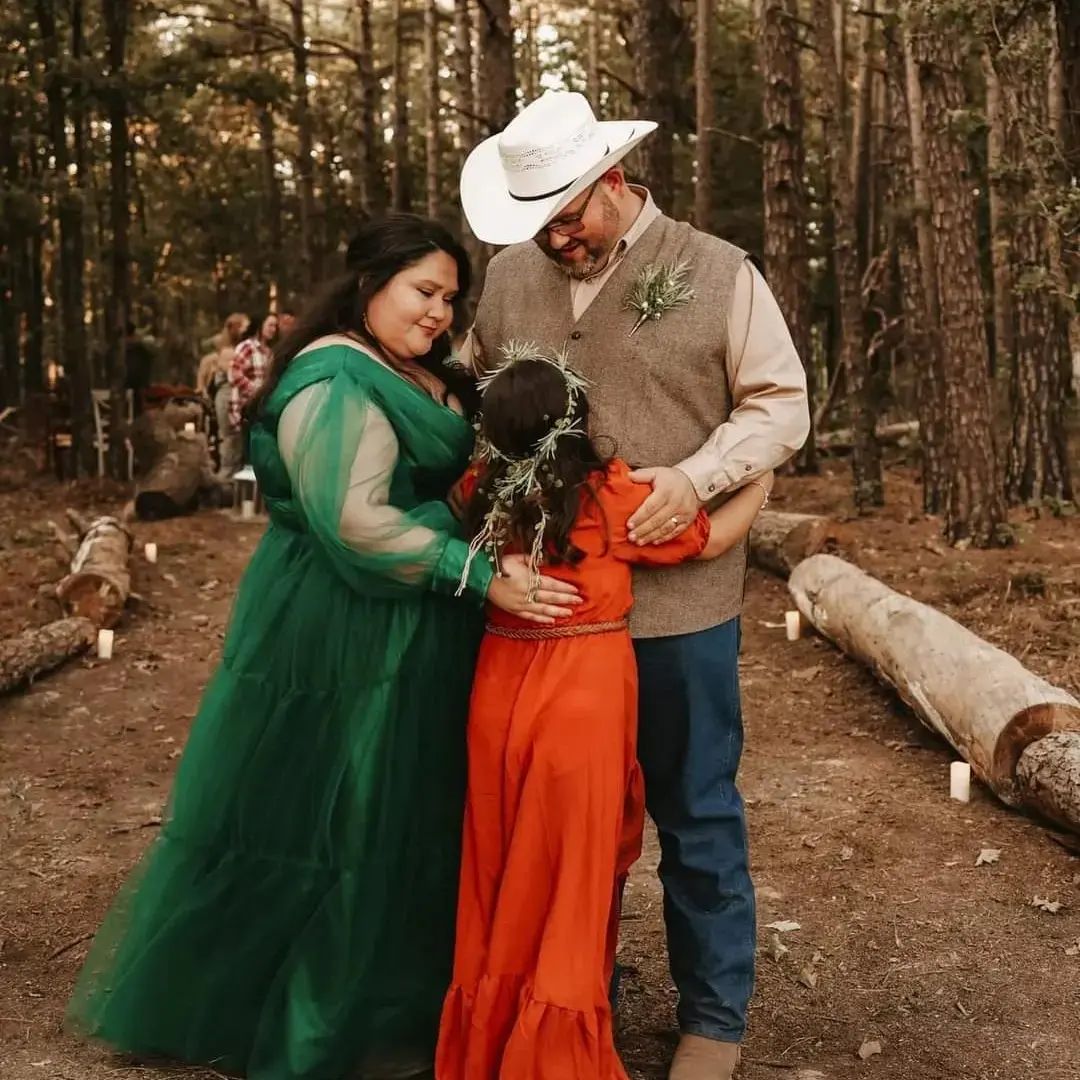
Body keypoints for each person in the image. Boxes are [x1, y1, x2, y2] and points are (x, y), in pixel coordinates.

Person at [65, 214, 580, 1080]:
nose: (439, 313)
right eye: (424, 291)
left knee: (405, 804)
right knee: (340, 807)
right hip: (339, 620)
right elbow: (355, 521)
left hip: (419, 612)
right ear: (368, 284)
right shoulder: (332, 377)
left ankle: (399, 998)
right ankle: (304, 1008)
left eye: (451, 298)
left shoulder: (414, 369)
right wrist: (476, 569)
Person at [459, 91, 811, 1080]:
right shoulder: (506, 279)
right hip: (544, 631)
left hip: (679, 611)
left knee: (695, 815)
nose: (557, 239)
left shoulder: (718, 270)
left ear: (612, 180)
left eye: (570, 216)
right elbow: (486, 422)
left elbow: (782, 408)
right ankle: (572, 1000)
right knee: (563, 829)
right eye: (541, 224)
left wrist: (696, 480)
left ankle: (714, 1019)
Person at [436, 349, 773, 1079]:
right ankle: (554, 1042)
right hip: (579, 694)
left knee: (500, 858)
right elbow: (710, 538)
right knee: (569, 866)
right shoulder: (603, 498)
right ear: (575, 425)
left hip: (499, 687)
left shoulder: (477, 492)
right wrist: (760, 482)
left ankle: (493, 1034)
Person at [227, 313, 278, 465]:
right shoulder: (247, 347)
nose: (273, 329)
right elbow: (234, 373)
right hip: (245, 407)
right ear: (260, 325)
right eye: (270, 325)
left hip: (261, 409)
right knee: (242, 454)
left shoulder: (269, 352)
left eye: (275, 326)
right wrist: (256, 390)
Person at [208, 312, 249, 475]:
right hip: (227, 397)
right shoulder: (227, 352)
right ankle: (226, 477)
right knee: (229, 438)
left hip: (238, 398)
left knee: (237, 440)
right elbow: (233, 372)